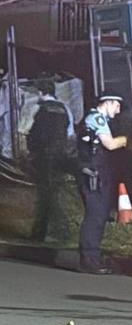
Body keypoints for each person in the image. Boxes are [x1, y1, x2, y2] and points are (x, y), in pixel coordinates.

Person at [77, 91, 129, 274]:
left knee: (98, 216)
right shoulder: (97, 119)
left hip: (97, 174)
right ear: (107, 103)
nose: (118, 109)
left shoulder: (96, 119)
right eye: (117, 105)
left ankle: (92, 257)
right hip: (93, 175)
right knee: (95, 216)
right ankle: (90, 259)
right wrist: (128, 139)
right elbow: (110, 144)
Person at [27, 78, 75, 242]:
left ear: (40, 92)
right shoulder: (64, 109)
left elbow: (28, 133)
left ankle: (43, 233)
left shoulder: (37, 109)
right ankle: (55, 231)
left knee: (45, 194)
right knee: (56, 191)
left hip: (43, 157)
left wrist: (30, 153)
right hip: (60, 156)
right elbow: (69, 134)